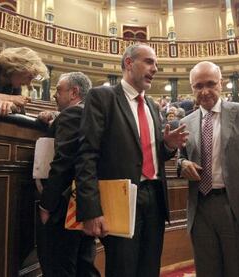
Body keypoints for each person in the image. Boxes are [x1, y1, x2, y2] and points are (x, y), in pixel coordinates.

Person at [75, 44, 188, 277]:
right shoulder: (102, 97)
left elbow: (150, 153)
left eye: (156, 64)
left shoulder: (151, 105)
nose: (155, 69)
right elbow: (87, 155)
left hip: (155, 199)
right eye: (148, 62)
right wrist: (91, 210)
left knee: (149, 268)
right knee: (122, 270)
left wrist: (167, 145)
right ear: (128, 63)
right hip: (120, 200)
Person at [178, 61, 239, 277]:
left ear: (221, 83)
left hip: (236, 205)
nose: (205, 91)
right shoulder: (186, 121)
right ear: (192, 88)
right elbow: (181, 158)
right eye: (198, 86)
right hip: (200, 207)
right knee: (207, 270)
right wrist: (183, 164)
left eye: (211, 84)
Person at [36, 72, 100, 277]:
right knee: (83, 265)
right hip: (86, 204)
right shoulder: (93, 115)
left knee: (58, 266)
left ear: (74, 93)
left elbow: (63, 163)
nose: (54, 95)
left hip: (64, 206)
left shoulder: (72, 115)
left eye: (58, 90)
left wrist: (47, 204)